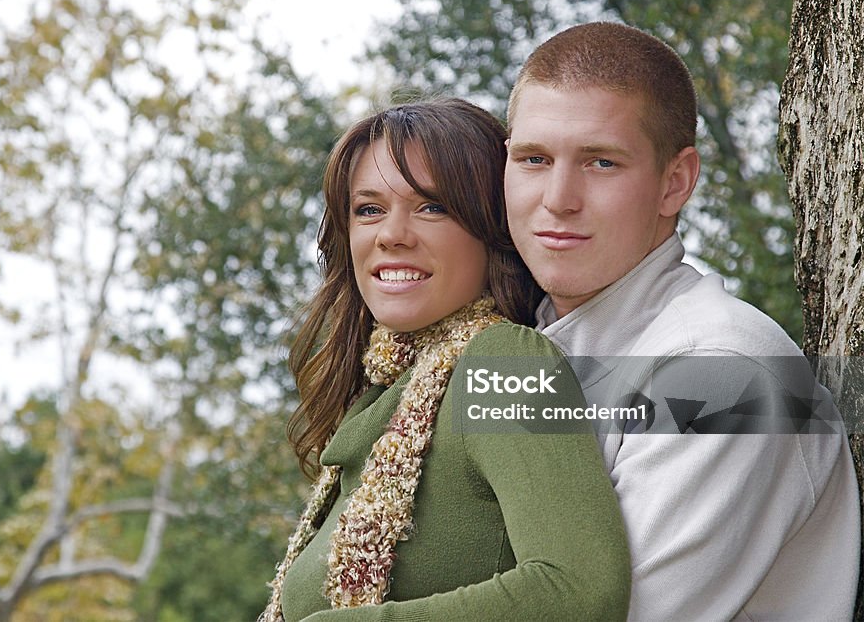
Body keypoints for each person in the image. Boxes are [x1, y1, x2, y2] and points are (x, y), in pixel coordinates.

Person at [503, 21, 860, 621]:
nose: (559, 197)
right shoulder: (527, 350)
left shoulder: (722, 370)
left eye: (601, 163)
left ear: (675, 182)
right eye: (533, 159)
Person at [260, 98, 631, 621]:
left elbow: (579, 591)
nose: (391, 234)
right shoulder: (385, 397)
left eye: (432, 207)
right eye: (369, 209)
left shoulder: (503, 365)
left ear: (490, 228)